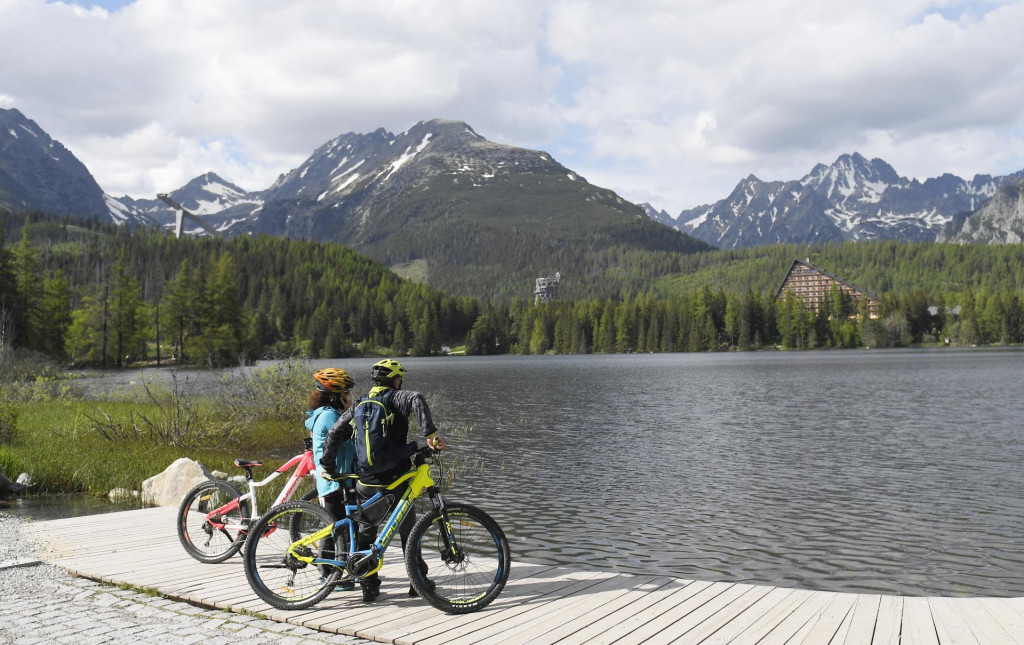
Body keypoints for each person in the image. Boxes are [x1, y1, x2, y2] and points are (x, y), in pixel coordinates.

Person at [320, 359, 445, 602]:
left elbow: (335, 432)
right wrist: (430, 433)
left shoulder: (359, 402)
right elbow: (416, 398)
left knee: (367, 531)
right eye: (400, 380)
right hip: (397, 478)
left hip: (367, 480)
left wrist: (327, 465)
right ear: (396, 380)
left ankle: (369, 585)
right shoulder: (395, 398)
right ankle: (417, 581)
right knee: (410, 531)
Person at [304, 367, 357, 591]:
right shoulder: (330, 416)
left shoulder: (326, 413)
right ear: (336, 395)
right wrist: (352, 414)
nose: (349, 397)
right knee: (335, 529)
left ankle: (333, 572)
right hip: (334, 480)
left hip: (336, 479)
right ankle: (328, 576)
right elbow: (349, 441)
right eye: (346, 394)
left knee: (337, 527)